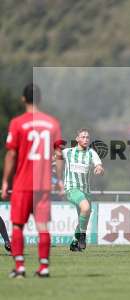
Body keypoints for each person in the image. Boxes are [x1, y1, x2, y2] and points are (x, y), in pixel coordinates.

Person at [1, 83, 63, 278]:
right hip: (43, 184)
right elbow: (59, 154)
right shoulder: (53, 123)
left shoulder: (18, 123)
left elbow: (11, 154)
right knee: (43, 226)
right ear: (40, 99)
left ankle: (19, 267)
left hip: (22, 183)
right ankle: (44, 267)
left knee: (18, 225)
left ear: (23, 99)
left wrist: (5, 182)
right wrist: (59, 180)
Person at [59, 128, 104, 252]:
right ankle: (83, 236)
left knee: (84, 215)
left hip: (86, 191)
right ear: (77, 139)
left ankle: (74, 242)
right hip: (72, 188)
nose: (85, 139)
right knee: (86, 208)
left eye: (87, 137)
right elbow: (52, 158)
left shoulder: (91, 153)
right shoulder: (68, 152)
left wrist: (99, 169)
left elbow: (99, 165)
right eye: (83, 137)